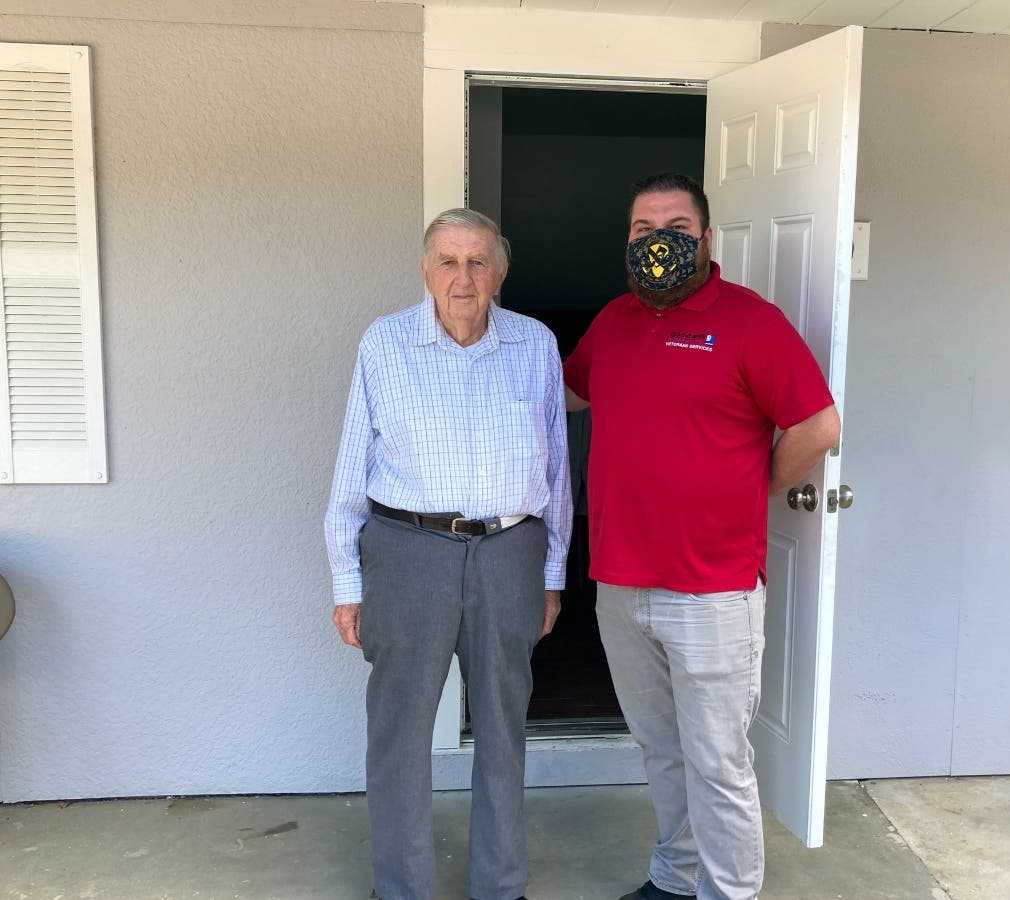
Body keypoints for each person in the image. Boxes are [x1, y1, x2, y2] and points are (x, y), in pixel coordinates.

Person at [562, 173, 841, 900]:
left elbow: (819, 425)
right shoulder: (613, 323)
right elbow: (564, 391)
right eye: (642, 229)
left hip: (712, 590)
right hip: (620, 583)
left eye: (677, 229)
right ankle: (676, 875)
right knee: (661, 752)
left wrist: (757, 483)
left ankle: (728, 892)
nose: (658, 242)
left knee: (718, 763)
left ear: (707, 239)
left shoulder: (751, 322)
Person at [325, 208, 570, 900]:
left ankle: (501, 886)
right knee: (398, 734)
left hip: (510, 552)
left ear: (501, 271)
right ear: (425, 270)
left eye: (478, 261)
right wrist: (349, 580)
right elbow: (349, 471)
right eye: (448, 261)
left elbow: (556, 475)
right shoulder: (385, 343)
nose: (463, 277)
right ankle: (401, 889)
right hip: (407, 551)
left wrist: (551, 573)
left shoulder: (535, 344)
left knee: (503, 727)